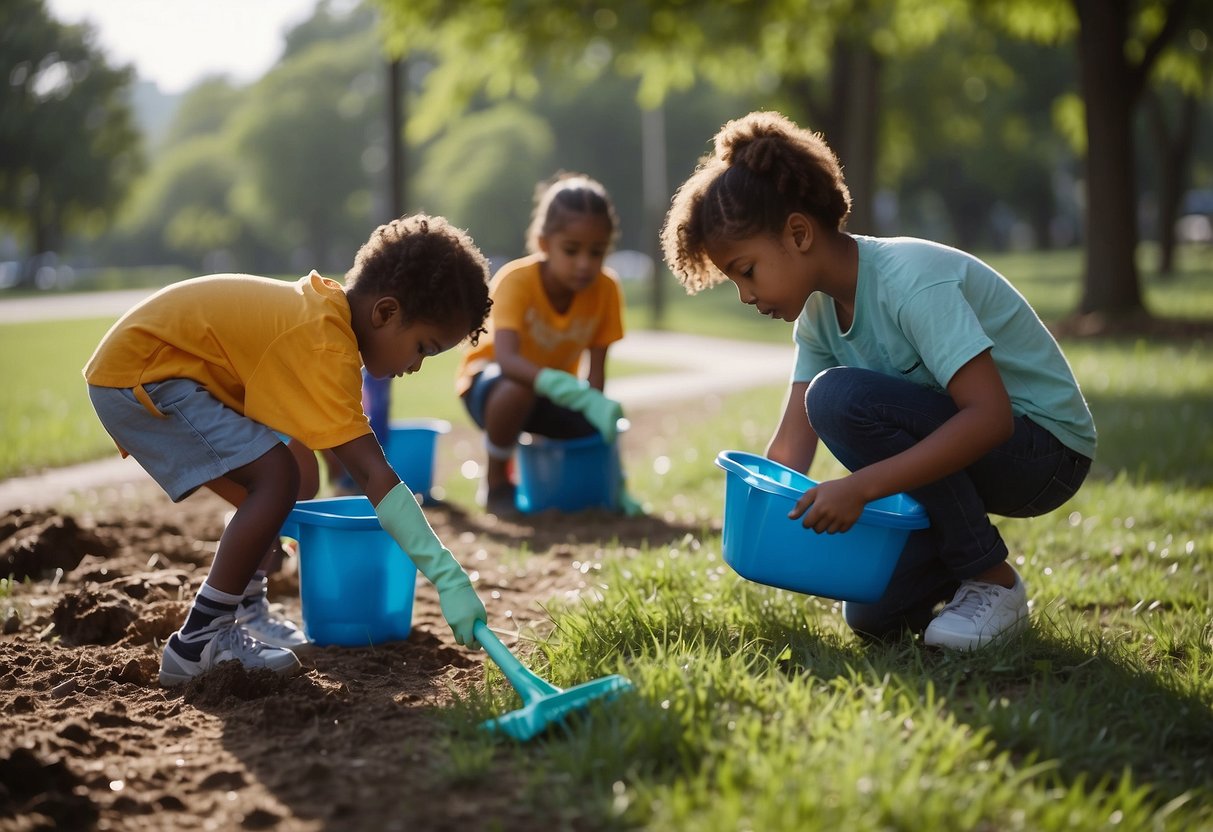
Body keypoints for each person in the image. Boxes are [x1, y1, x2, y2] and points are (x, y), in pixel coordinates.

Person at [660, 111, 1096, 651]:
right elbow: (792, 446)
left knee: (839, 398)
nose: (745, 295)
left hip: (1043, 452)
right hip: (975, 449)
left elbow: (990, 418)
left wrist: (860, 488)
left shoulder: (910, 281)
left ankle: (991, 579)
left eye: (746, 271)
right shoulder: (817, 315)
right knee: (871, 612)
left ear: (798, 233)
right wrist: (758, 523)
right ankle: (962, 577)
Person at [84, 214, 494, 686]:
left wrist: (267, 533)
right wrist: (448, 578)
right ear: (385, 312)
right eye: (422, 347)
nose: (416, 366)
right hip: (144, 375)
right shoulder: (326, 346)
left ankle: (247, 607)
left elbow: (336, 454)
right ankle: (199, 641)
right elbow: (372, 473)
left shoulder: (326, 319)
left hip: (161, 371)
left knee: (297, 474)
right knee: (276, 480)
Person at [455, 172, 637, 516]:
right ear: (543, 243)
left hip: (555, 395)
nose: (584, 263)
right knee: (516, 391)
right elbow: (507, 360)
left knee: (596, 427)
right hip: (491, 388)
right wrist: (562, 386)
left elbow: (596, 377)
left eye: (596, 252)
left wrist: (593, 409)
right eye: (571, 250)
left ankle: (587, 489)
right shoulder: (516, 280)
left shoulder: (607, 289)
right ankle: (496, 485)